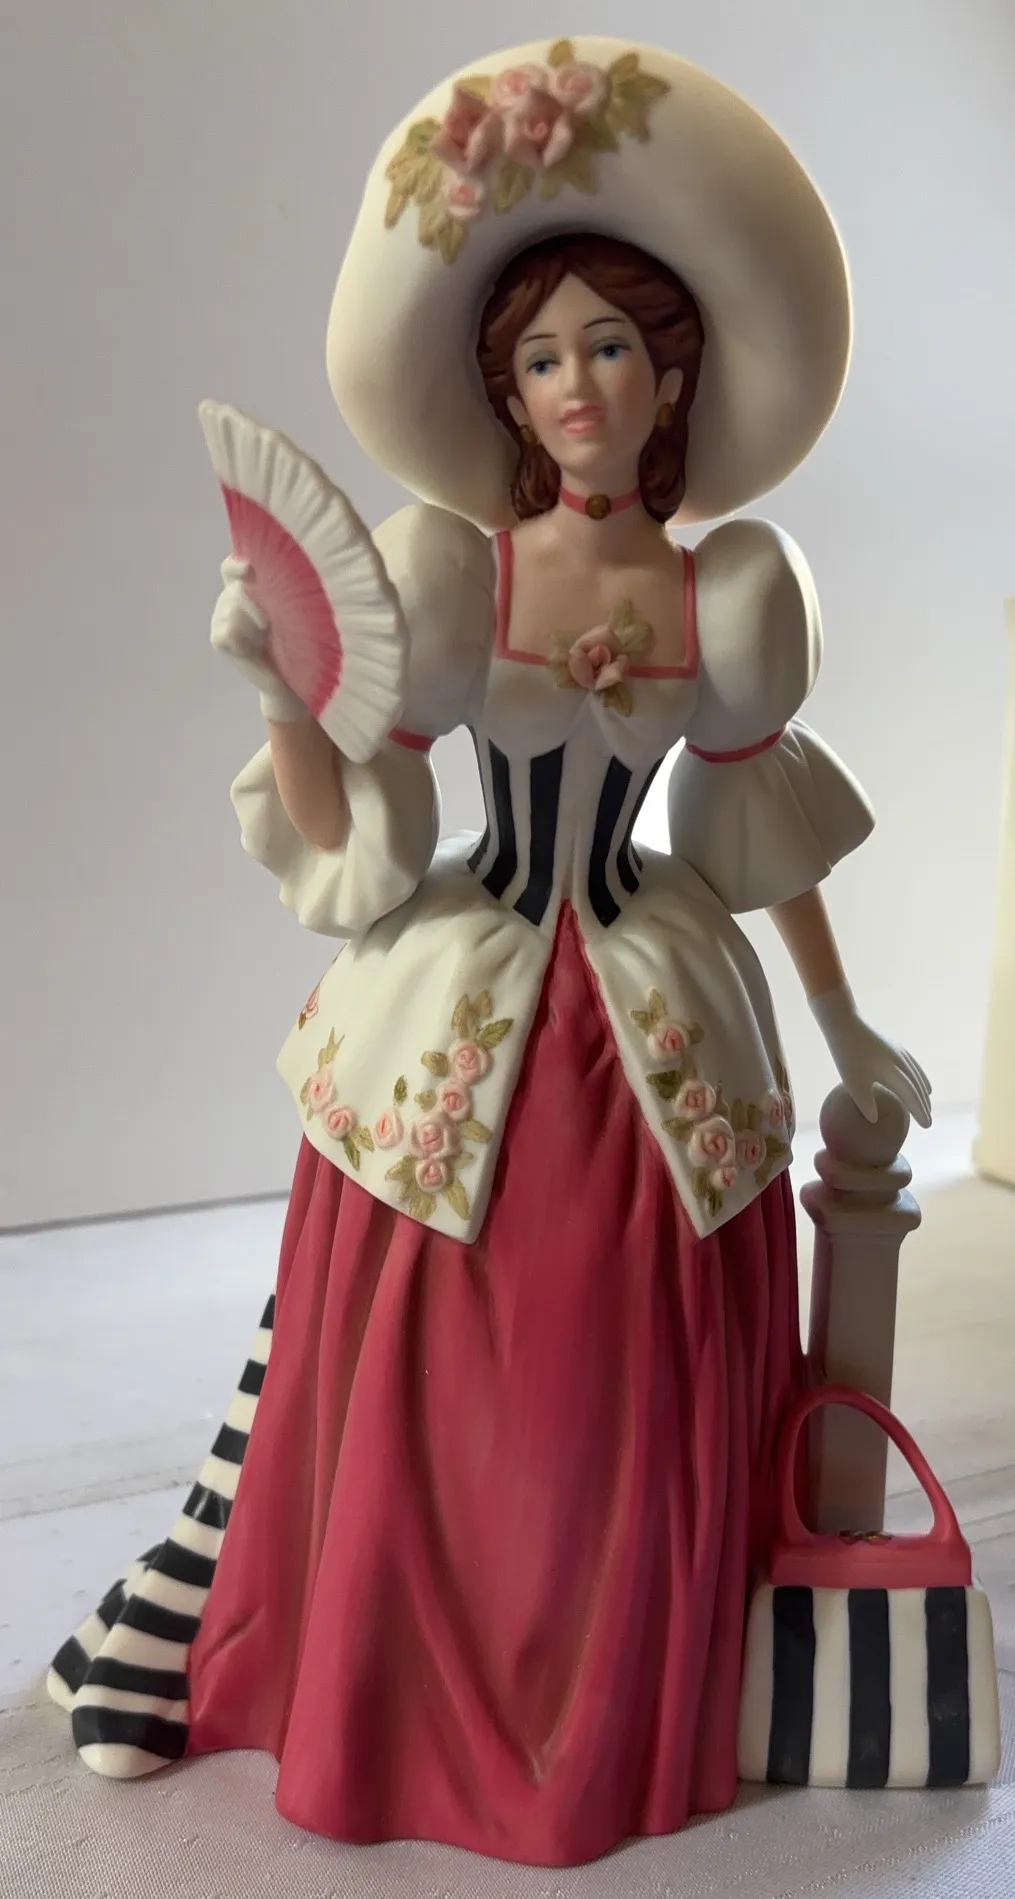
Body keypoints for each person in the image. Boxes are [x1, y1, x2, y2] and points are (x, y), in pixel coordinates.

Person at [48, 35, 932, 1868]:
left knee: (613, 1372)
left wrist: (845, 1023)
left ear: (668, 370)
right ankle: (375, 1659)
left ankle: (621, 1674)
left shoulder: (727, 592)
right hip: (470, 986)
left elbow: (750, 836)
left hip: (650, 996)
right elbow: (351, 833)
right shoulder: (457, 574)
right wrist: (271, 686)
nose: (575, 383)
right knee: (440, 1350)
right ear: (503, 390)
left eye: (608, 345)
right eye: (539, 355)